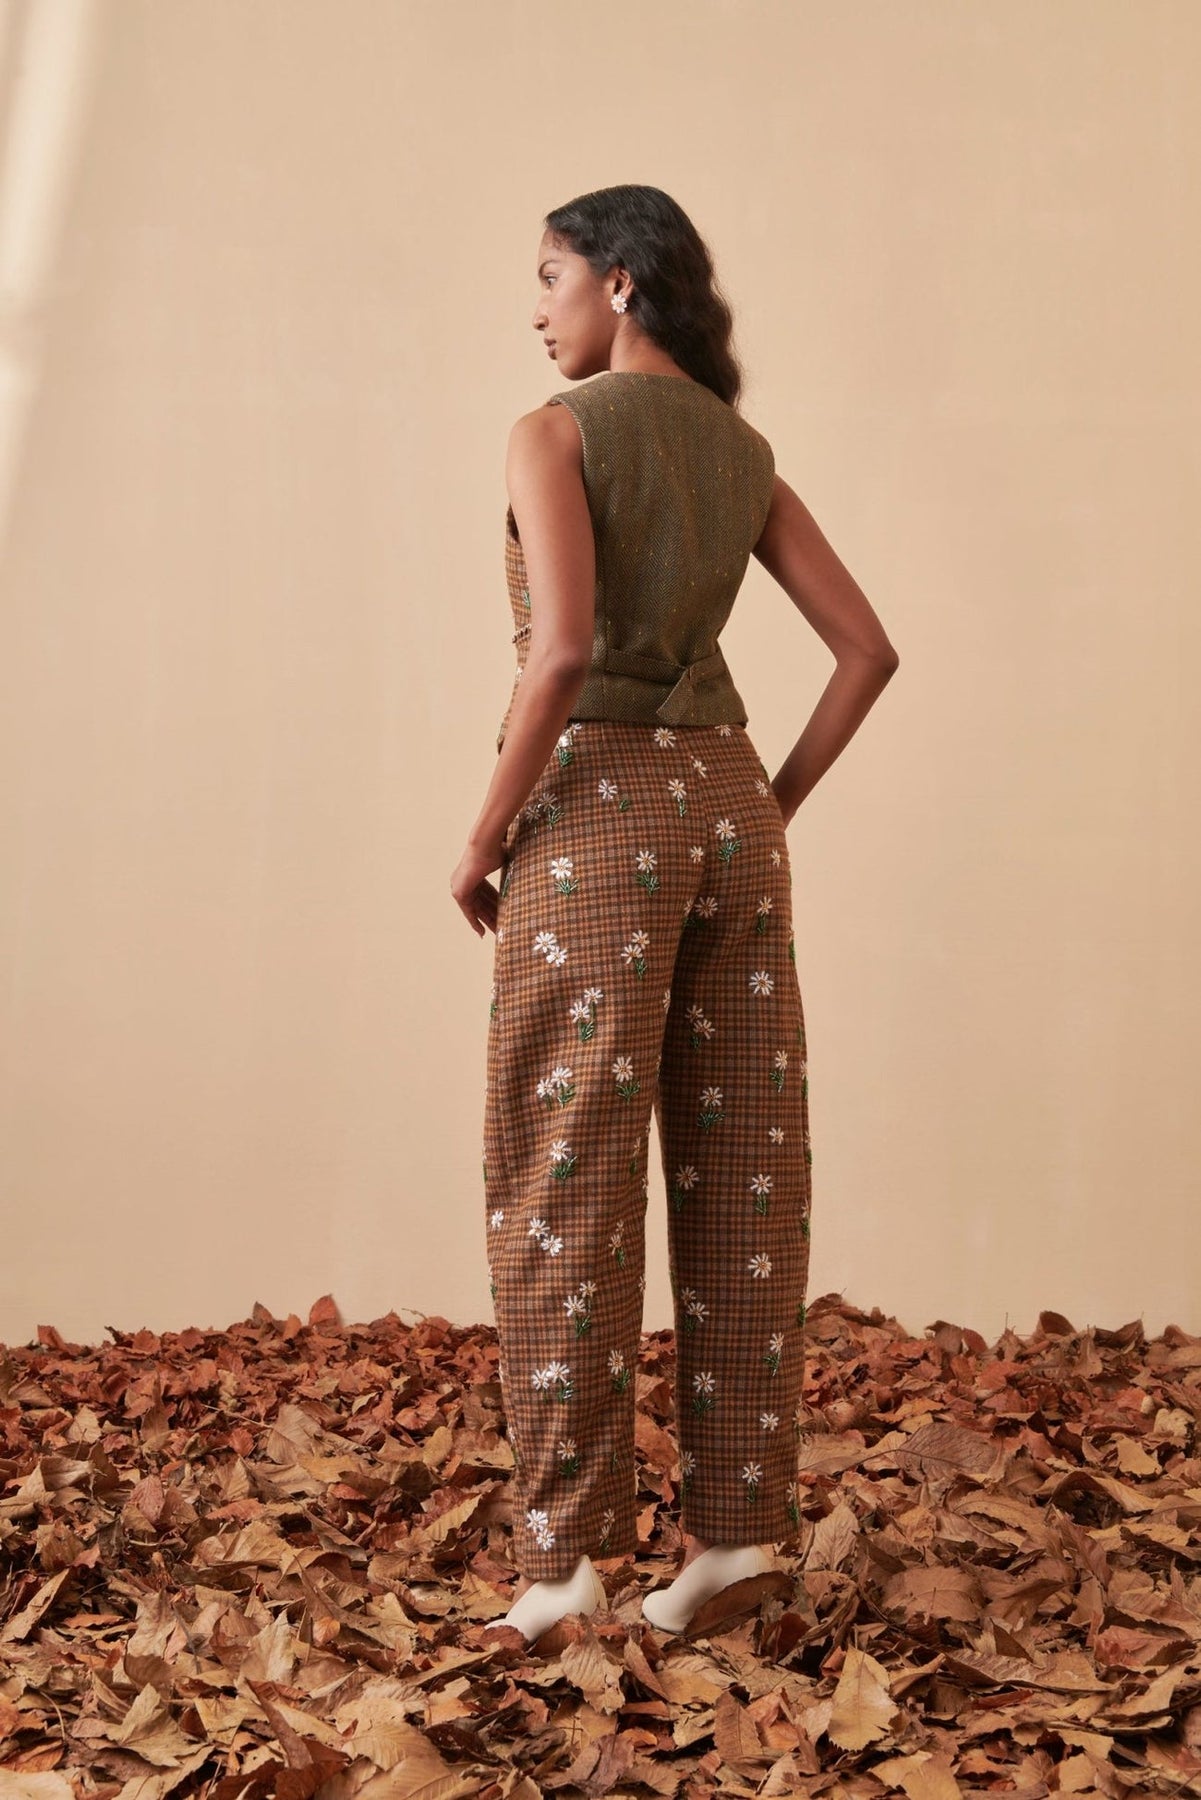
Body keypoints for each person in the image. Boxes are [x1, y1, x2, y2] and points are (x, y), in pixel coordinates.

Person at [450, 185, 899, 1643]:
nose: (538, 309)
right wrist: (765, 801)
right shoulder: (738, 450)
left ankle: (563, 1565)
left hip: (594, 818)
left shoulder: (554, 432)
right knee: (743, 1168)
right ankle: (736, 1544)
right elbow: (865, 650)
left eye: (551, 277)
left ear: (622, 283)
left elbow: (563, 650)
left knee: (564, 1171)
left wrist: (482, 836)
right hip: (728, 820)